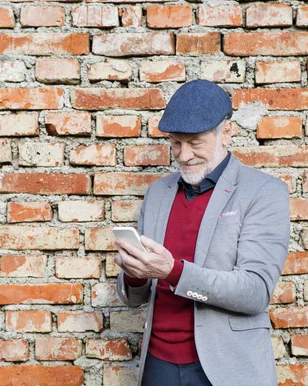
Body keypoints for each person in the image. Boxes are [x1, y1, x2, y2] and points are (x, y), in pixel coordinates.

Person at [114, 80, 290, 386]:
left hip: (226, 367)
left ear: (227, 132)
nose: (184, 155)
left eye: (195, 142)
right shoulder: (158, 193)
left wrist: (173, 272)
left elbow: (255, 291)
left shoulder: (263, 191)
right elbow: (135, 298)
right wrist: (136, 275)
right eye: (176, 143)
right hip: (158, 366)